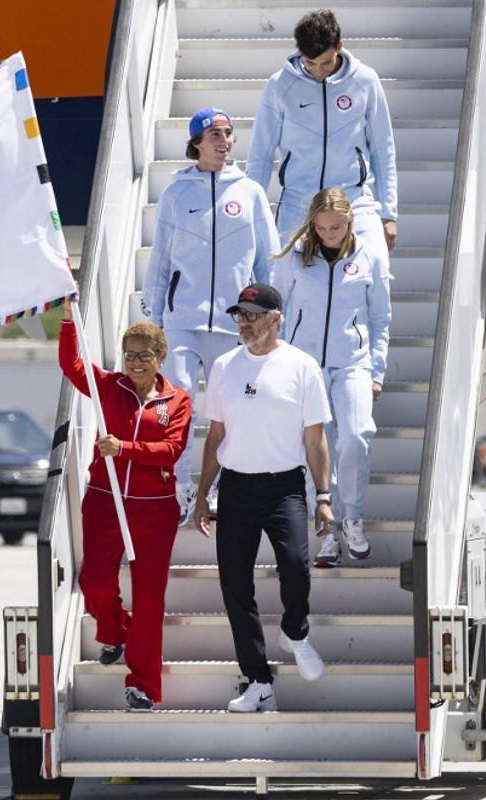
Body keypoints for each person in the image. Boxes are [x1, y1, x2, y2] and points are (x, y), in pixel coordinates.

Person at [193, 283, 333, 712]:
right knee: (235, 587)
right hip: (235, 487)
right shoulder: (223, 366)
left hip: (284, 488)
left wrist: (324, 496)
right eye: (240, 315)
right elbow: (215, 434)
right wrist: (202, 495)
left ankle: (296, 631)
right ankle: (258, 681)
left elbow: (316, 440)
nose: (244, 322)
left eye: (253, 314)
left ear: (276, 318)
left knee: (295, 568)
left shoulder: (301, 366)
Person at [141, 106, 280, 524]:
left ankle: (218, 487)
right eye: (215, 135)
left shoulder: (250, 192)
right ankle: (180, 486)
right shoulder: (175, 193)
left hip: (235, 323)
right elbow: (161, 261)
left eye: (228, 134)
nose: (224, 142)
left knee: (230, 409)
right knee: (178, 401)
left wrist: (272, 316)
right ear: (197, 143)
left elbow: (266, 263)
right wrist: (153, 319)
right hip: (183, 318)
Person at [58, 304, 192, 711]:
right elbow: (71, 364)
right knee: (95, 582)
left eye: (144, 355)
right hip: (104, 500)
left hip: (154, 509)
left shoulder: (177, 400)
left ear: (160, 358)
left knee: (150, 599)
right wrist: (67, 320)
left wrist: (125, 449)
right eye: (129, 354)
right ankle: (114, 630)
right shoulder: (108, 387)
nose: (135, 362)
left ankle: (143, 686)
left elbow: (171, 450)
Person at [273, 188, 392, 567]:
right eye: (322, 228)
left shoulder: (369, 255)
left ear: (350, 222)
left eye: (336, 227)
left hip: (353, 363)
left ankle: (352, 517)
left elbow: (379, 318)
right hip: (303, 367)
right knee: (314, 445)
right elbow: (277, 311)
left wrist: (377, 370)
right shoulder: (295, 258)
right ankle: (324, 530)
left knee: (356, 436)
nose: (329, 234)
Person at [246, 10, 398, 256]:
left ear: (340, 46)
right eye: (310, 63)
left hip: (354, 200)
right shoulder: (280, 85)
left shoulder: (365, 81)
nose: (318, 71)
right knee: (286, 280)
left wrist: (389, 213)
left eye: (326, 62)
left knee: (374, 267)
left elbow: (383, 150)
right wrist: (250, 211)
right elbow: (261, 153)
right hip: (298, 202)